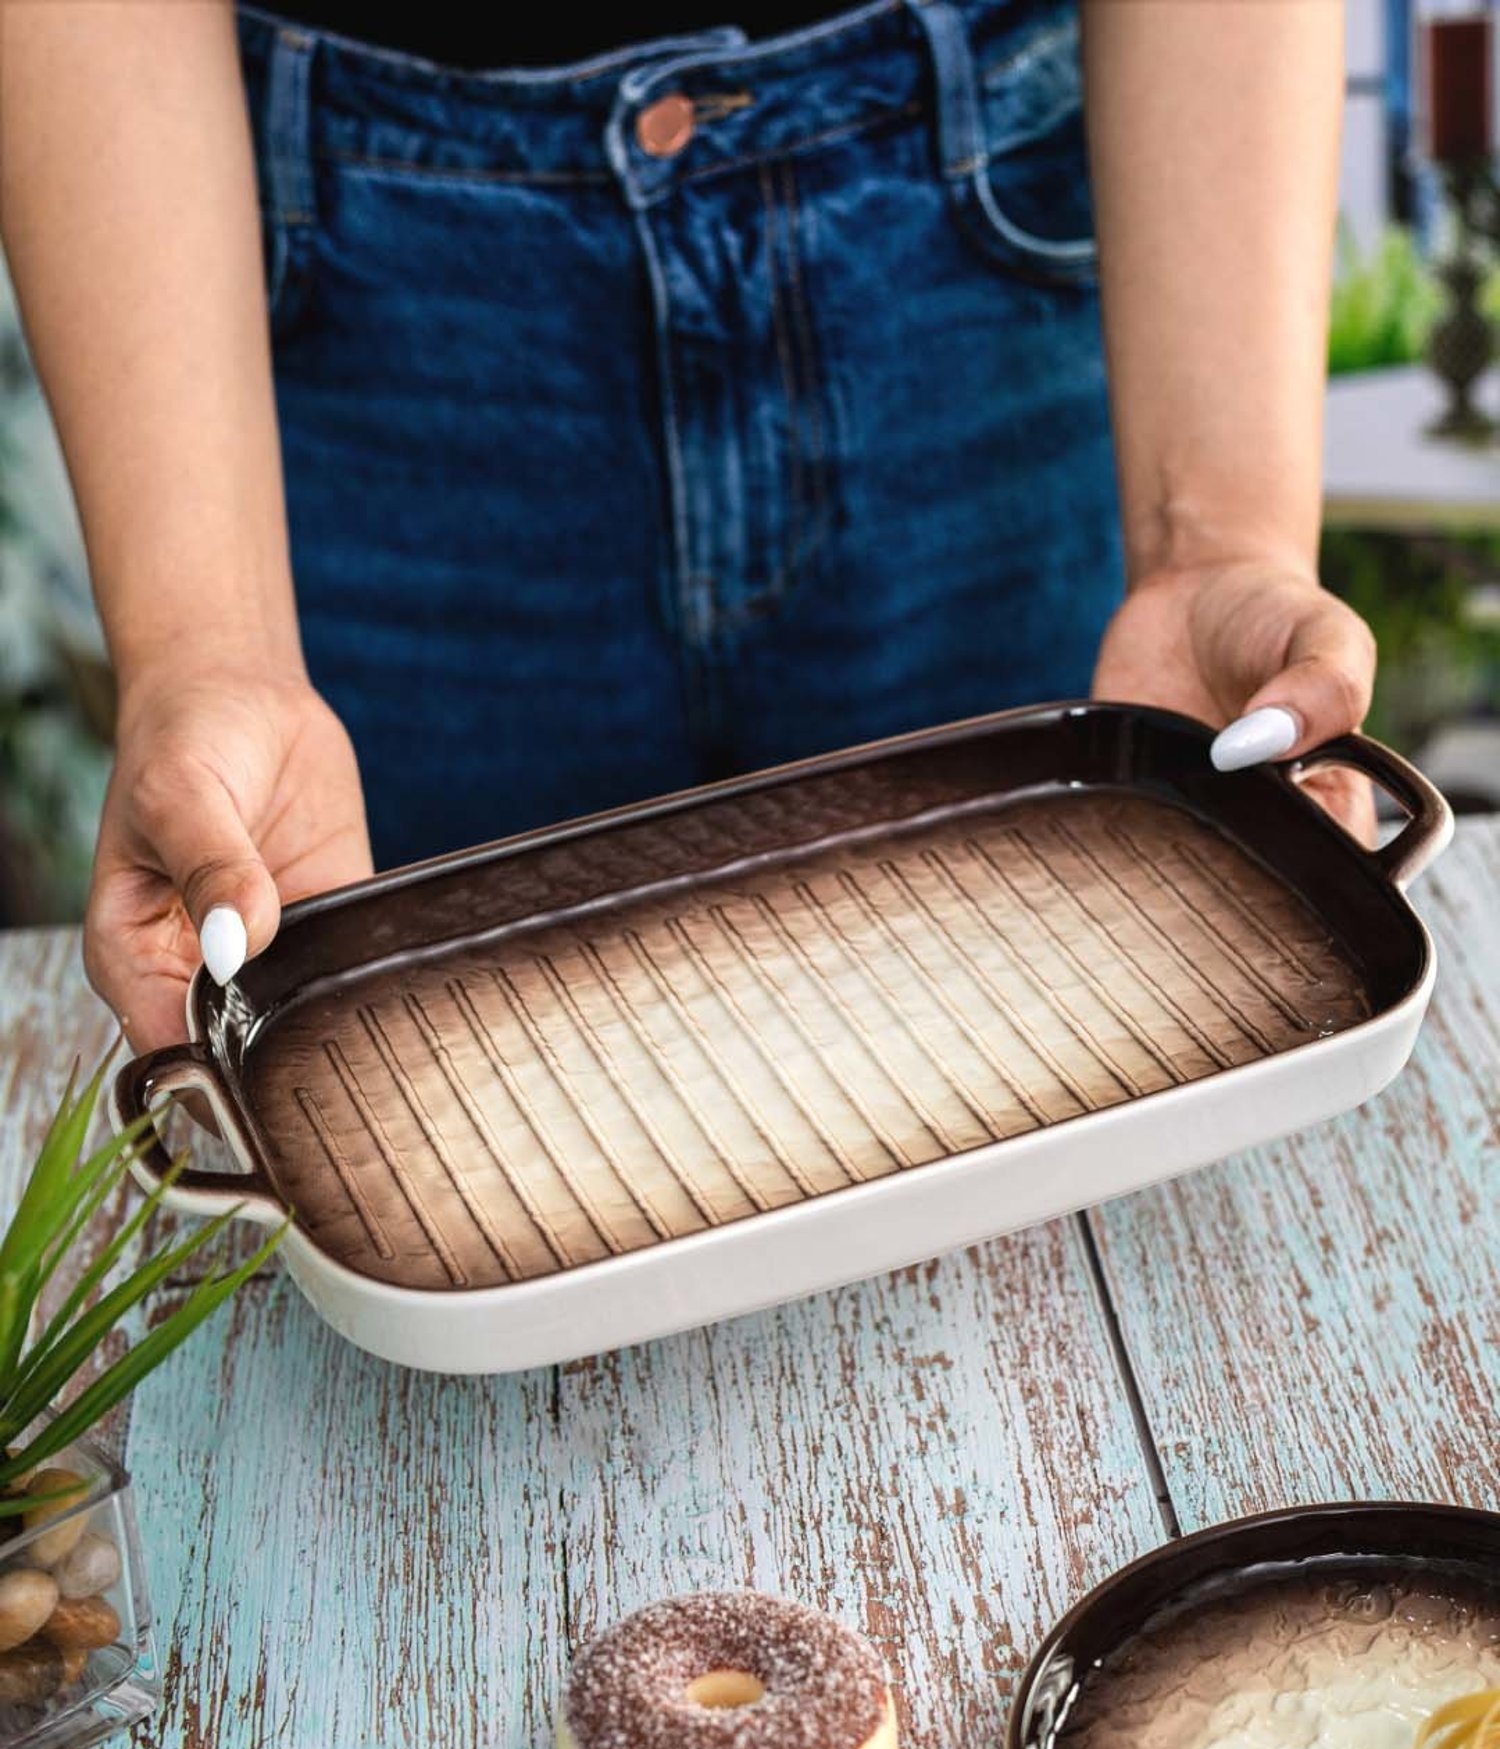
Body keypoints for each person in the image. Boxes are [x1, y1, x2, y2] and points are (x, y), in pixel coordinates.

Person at [1, 0, 1375, 1055]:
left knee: (1088, 1083)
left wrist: (1220, 538)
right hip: (345, 320)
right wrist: (206, 647)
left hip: (975, 280)